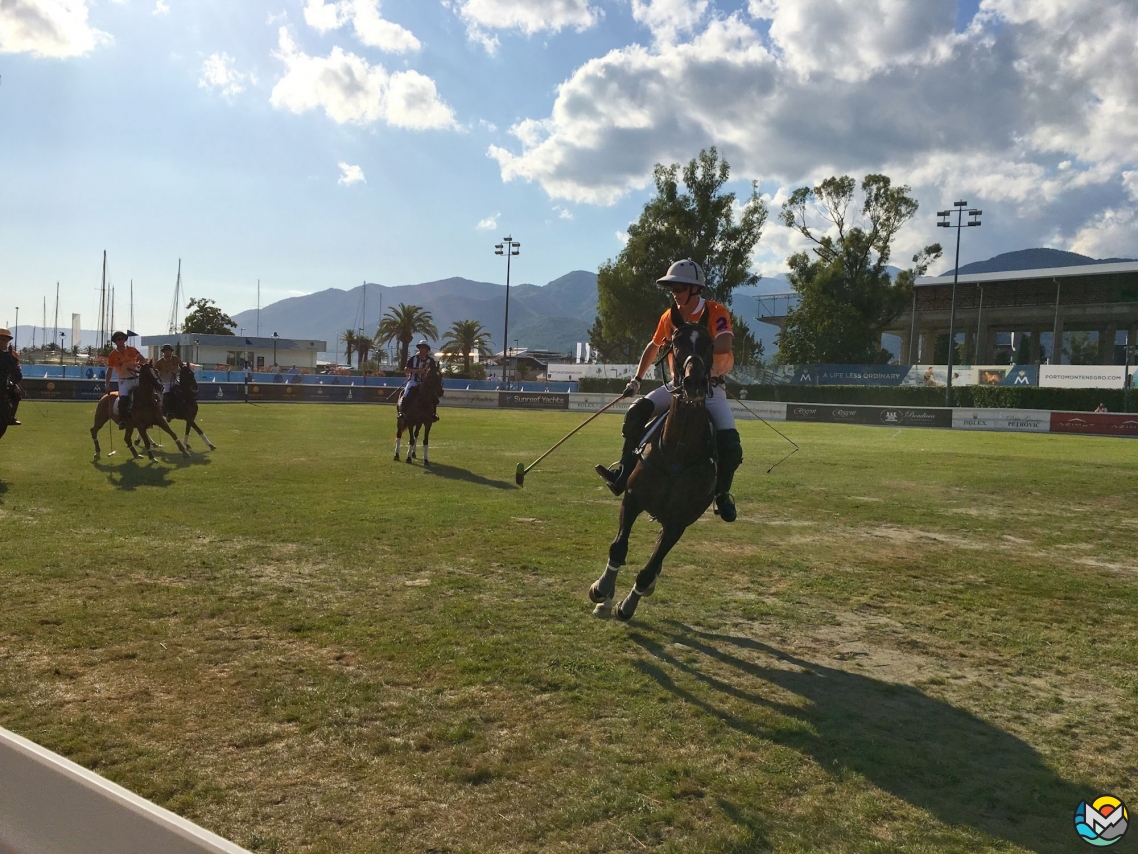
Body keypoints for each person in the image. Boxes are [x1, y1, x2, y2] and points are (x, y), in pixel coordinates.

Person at [594, 259, 743, 522]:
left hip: (709, 389)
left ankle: (722, 494)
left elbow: (725, 342)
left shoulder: (715, 311)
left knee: (731, 445)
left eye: (679, 287)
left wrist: (698, 352)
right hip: (676, 387)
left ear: (695, 289)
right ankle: (623, 472)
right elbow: (653, 347)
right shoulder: (669, 317)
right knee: (636, 412)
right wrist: (637, 379)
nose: (674, 293)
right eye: (672, 288)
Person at [106, 330, 144, 425]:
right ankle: (122, 420)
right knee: (123, 399)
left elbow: (142, 359)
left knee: (147, 393)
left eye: (122, 338)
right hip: (124, 381)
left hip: (136, 378)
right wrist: (107, 383)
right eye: (118, 339)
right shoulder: (112, 355)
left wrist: (138, 365)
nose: (121, 340)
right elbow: (110, 370)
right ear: (115, 341)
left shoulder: (132, 350)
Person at [401, 339, 438, 421]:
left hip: (425, 383)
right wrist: (415, 371)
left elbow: (434, 372)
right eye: (420, 348)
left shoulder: (430, 361)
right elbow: (406, 369)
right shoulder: (413, 359)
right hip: (413, 381)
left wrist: (425, 373)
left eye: (423, 348)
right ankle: (402, 412)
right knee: (406, 394)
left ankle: (434, 414)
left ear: (427, 350)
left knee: (434, 396)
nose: (421, 350)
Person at [0, 327, 23, 425]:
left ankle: (11, 417)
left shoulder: (11, 356)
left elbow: (16, 374)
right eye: (1, 339)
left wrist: (12, 383)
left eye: (5, 340)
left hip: (4, 385)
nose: (3, 342)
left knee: (17, 393)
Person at [155, 344, 183, 417]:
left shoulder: (175, 358)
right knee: (167, 396)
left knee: (181, 393)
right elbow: (155, 372)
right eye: (165, 351)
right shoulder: (159, 362)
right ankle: (168, 412)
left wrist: (179, 370)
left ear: (171, 351)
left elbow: (182, 366)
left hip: (175, 380)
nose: (167, 352)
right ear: (163, 352)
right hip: (165, 382)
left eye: (169, 351)